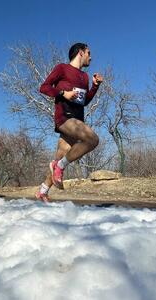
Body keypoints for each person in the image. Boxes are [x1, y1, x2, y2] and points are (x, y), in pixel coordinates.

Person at [36, 43, 103, 202]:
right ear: (80, 52)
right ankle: (59, 166)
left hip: (77, 120)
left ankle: (43, 191)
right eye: (88, 53)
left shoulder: (84, 76)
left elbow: (84, 101)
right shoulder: (62, 68)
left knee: (60, 157)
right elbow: (44, 87)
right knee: (93, 140)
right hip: (64, 118)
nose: (91, 57)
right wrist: (63, 93)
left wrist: (94, 86)